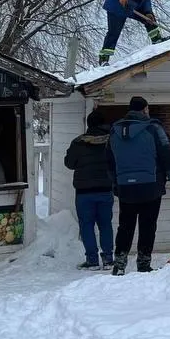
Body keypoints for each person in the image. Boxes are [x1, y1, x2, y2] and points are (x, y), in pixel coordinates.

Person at [107, 96, 170, 275]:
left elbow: (109, 161)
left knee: (125, 225)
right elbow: (167, 155)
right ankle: (143, 263)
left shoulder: (115, 131)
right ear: (145, 109)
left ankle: (119, 263)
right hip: (151, 186)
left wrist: (115, 183)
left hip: (125, 187)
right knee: (148, 225)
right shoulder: (154, 128)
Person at [63, 109, 115, 270]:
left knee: (86, 225)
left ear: (88, 124)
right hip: (106, 189)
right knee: (105, 224)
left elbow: (69, 163)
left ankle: (92, 260)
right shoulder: (111, 141)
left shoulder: (78, 142)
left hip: (84, 192)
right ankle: (108, 258)